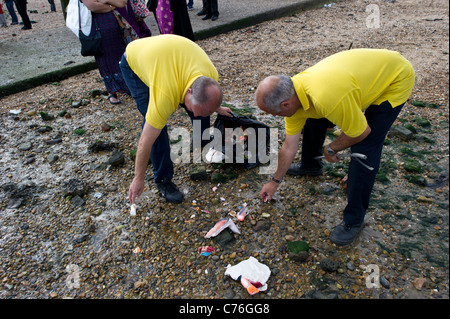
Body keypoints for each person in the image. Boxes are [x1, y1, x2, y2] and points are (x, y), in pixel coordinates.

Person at [256, 48, 415, 246]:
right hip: (356, 80)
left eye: (273, 113)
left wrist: (332, 148)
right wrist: (274, 181)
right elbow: (289, 146)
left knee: (365, 149)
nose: (273, 117)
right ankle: (311, 166)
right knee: (313, 118)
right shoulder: (295, 95)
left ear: (286, 104)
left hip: (394, 78)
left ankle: (354, 221)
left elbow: (361, 132)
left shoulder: (326, 97)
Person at [120, 34, 233, 204]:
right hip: (134, 62)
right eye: (193, 111)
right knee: (156, 128)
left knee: (200, 110)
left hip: (166, 56)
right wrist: (138, 178)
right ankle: (163, 180)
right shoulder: (166, 94)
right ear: (188, 92)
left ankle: (200, 137)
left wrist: (217, 109)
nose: (195, 116)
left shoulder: (211, 77)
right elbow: (145, 141)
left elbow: (205, 103)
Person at [81, 0, 151, 104]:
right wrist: (111, 6)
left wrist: (105, 2)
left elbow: (121, 2)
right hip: (97, 25)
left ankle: (130, 85)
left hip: (117, 22)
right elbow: (93, 6)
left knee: (124, 53)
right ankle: (112, 91)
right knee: (105, 57)